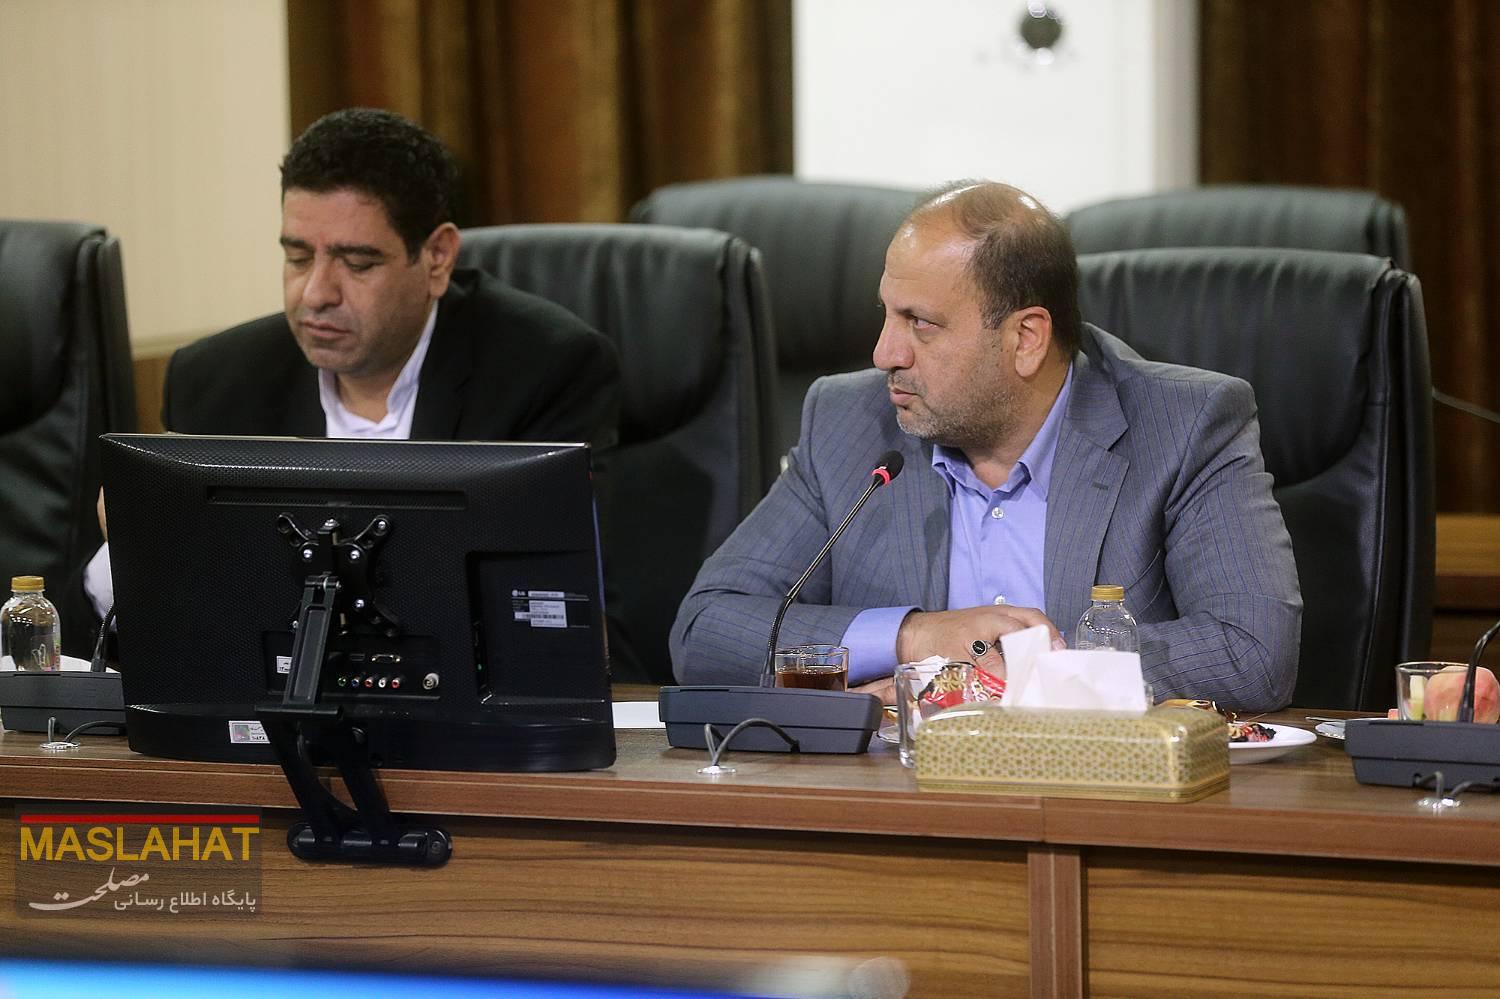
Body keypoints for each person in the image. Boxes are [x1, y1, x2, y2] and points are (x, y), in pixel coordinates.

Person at [669, 181, 1301, 712]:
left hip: (1102, 796)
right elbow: (706, 631)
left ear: (1026, 338)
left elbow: (1252, 649)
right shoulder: (850, 423)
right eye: (886, 314)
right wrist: (914, 638)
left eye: (921, 323)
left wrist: (1014, 677)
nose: (884, 353)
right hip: (897, 796)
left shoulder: (1184, 425)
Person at [66, 107, 619, 653]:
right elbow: (116, 631)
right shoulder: (217, 383)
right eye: (298, 257)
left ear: (436, 258)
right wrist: (139, 546)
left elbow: (564, 614)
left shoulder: (543, 370)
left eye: (357, 263)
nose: (315, 293)